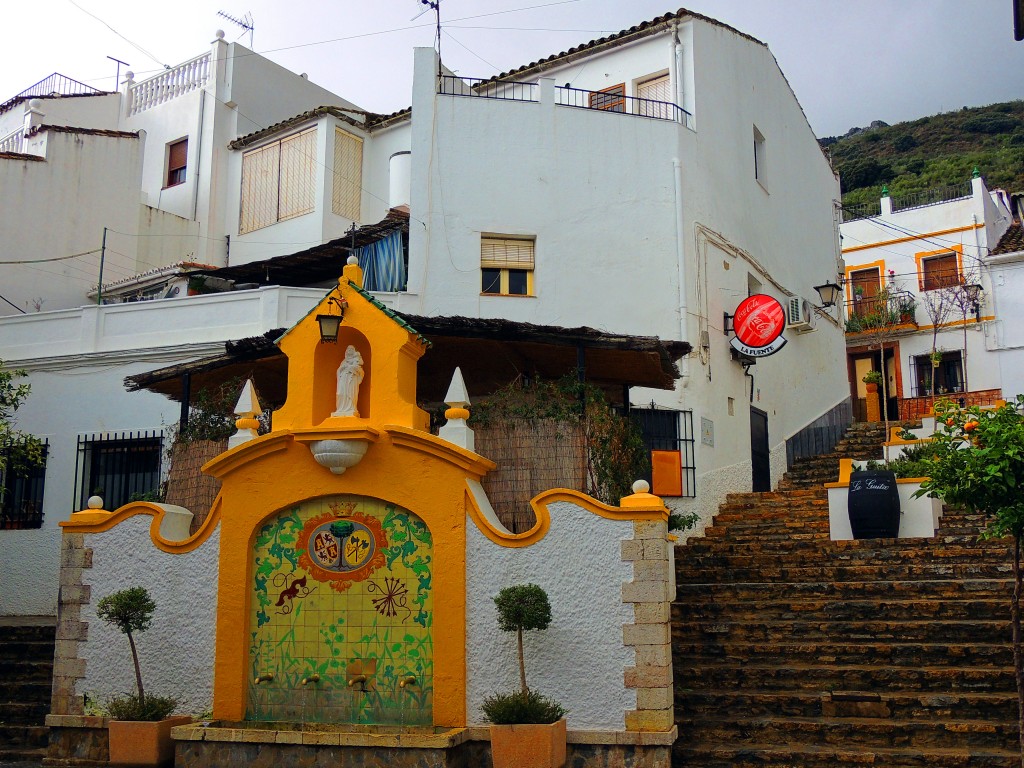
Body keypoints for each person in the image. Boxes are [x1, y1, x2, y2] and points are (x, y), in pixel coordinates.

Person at [333, 345, 364, 417]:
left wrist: (352, 368)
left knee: (351, 393)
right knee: (341, 393)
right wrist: (341, 369)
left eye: (351, 349)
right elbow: (339, 371)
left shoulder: (357, 359)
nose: (349, 350)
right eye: (348, 349)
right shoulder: (344, 361)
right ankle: (341, 409)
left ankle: (351, 408)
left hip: (352, 379)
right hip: (343, 379)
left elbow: (360, 371)